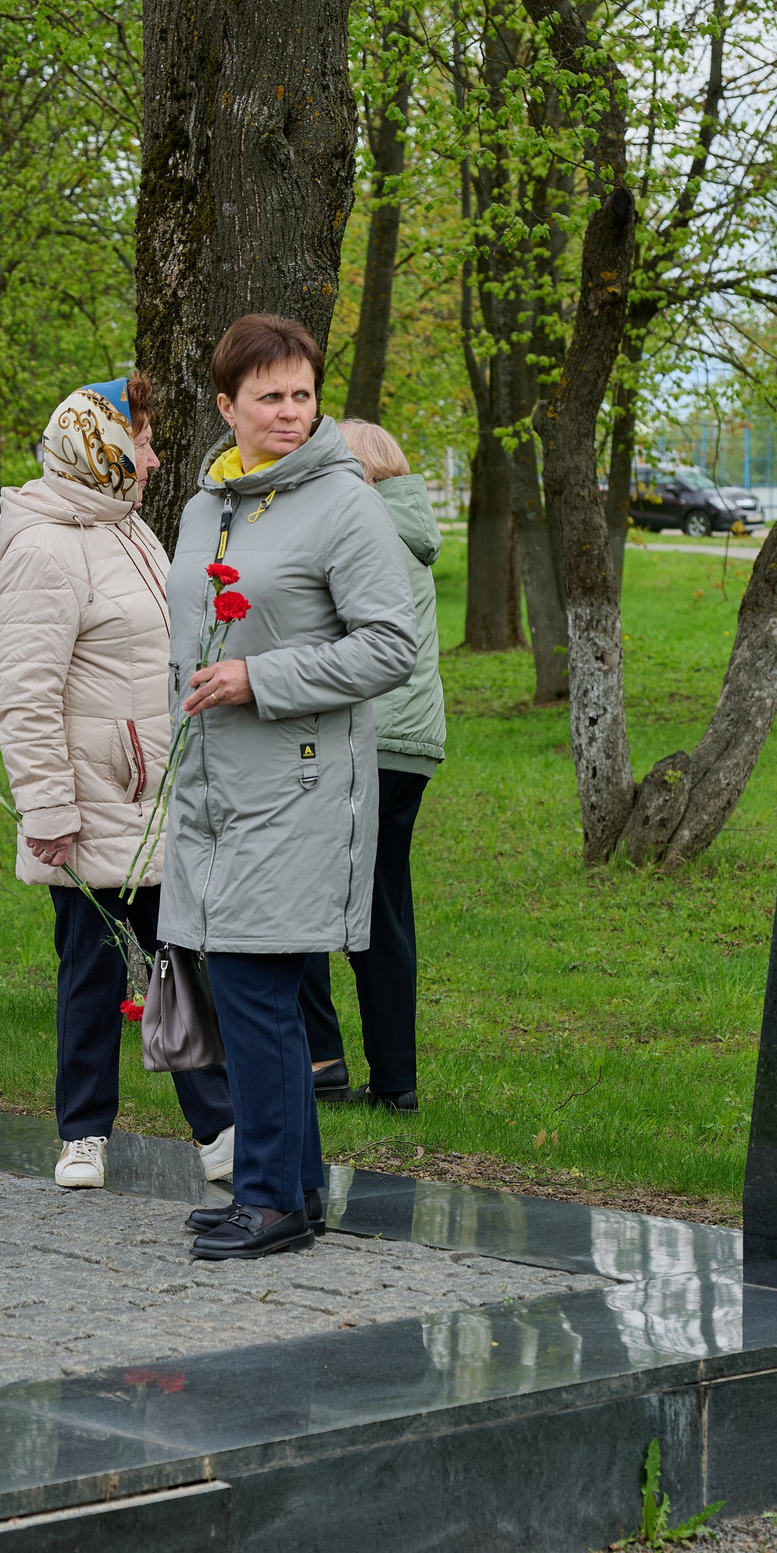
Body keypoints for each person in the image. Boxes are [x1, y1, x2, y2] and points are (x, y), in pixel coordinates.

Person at [161, 315, 417, 1260]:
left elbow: (390, 643)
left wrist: (261, 678)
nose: (288, 411)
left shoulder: (344, 503)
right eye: (267, 395)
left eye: (302, 394)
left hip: (298, 783)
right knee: (245, 988)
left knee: (255, 983)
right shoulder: (206, 505)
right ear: (225, 406)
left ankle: (268, 1199)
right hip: (211, 780)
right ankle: (296, 1190)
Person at [0, 376, 235, 1192]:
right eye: (141, 440)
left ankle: (219, 1128)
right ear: (98, 449)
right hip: (91, 802)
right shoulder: (44, 546)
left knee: (179, 961)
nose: (154, 457)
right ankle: (83, 1132)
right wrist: (47, 808)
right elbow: (26, 694)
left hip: (155, 795)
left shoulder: (129, 527)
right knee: (91, 967)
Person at [296, 419, 443, 1115]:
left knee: (303, 897)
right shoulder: (408, 524)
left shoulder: (360, 526)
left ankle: (326, 1061)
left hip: (364, 737)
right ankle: (391, 1077)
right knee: (383, 905)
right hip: (409, 743)